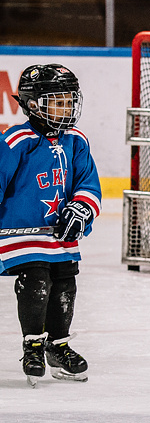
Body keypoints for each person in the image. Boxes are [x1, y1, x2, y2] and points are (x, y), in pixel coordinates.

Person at [1, 64, 102, 386]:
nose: (67, 107)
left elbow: (89, 183)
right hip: (20, 231)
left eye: (69, 100)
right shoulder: (17, 140)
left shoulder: (76, 140)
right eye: (57, 101)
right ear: (33, 104)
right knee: (37, 277)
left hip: (57, 234)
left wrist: (81, 209)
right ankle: (33, 345)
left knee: (65, 281)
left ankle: (57, 346)